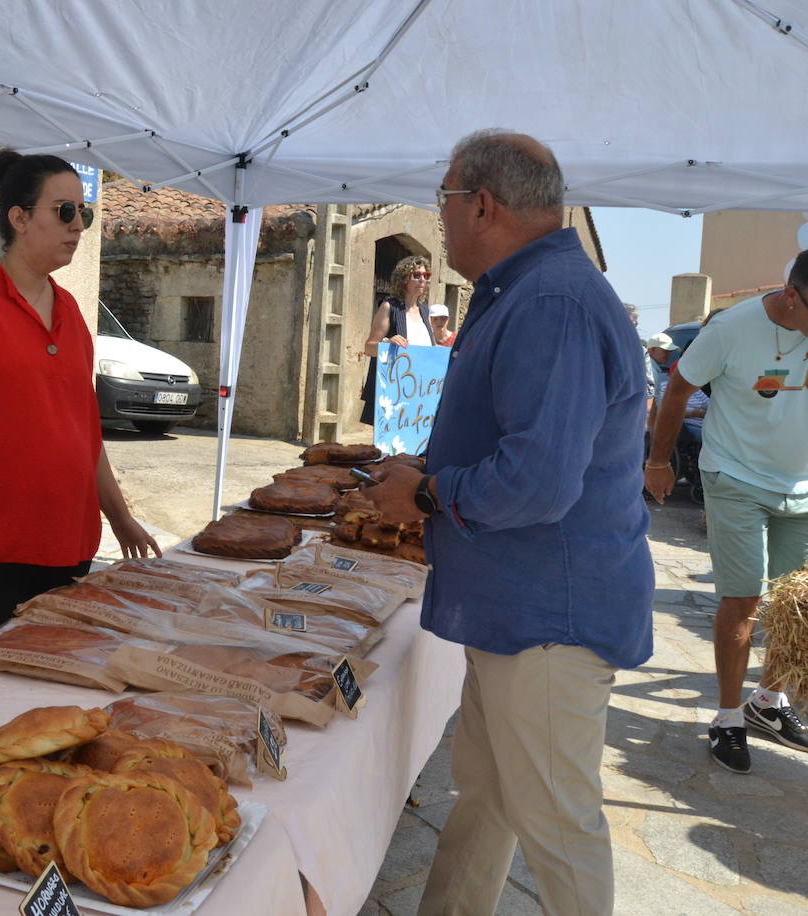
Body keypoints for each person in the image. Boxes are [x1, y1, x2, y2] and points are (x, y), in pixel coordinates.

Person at [364, 129, 653, 915]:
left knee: (557, 827)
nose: (443, 219)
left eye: (445, 202)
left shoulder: (551, 300)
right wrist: (430, 474)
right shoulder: (528, 290)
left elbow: (539, 481)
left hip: (549, 617)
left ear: (482, 204)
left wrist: (426, 496)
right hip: (519, 608)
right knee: (490, 799)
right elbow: (522, 446)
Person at [0, 150, 159, 671]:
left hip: (66, 550)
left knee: (50, 698)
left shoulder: (70, 313)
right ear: (18, 218)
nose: (78, 225)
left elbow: (84, 436)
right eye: (65, 211)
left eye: (83, 213)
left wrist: (122, 519)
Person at [645, 254, 808, 774]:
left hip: (801, 488)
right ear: (791, 296)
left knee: (791, 604)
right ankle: (728, 716)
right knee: (743, 597)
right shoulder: (733, 328)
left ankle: (768, 702)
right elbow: (677, 389)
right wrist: (657, 460)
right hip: (735, 476)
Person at [357, 255, 433, 425]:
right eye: (417, 275)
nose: (422, 279)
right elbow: (369, 347)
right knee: (389, 450)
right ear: (404, 279)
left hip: (419, 393)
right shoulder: (389, 307)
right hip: (394, 392)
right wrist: (387, 343)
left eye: (426, 276)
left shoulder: (425, 311)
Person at [643, 331, 680, 429]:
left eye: (670, 352)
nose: (669, 355)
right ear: (652, 350)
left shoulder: (652, 368)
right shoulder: (651, 370)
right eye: (665, 351)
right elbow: (652, 403)